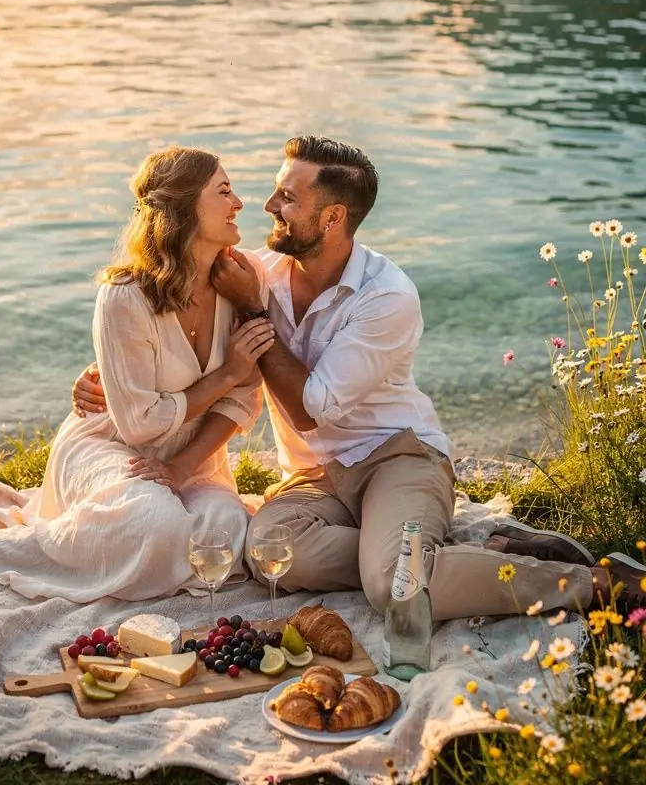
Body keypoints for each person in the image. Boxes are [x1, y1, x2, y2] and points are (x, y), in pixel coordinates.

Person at [74, 135, 646, 621]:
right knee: (269, 552)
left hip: (395, 457)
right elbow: (169, 298)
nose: (268, 204)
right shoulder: (255, 270)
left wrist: (255, 313)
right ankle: (461, 551)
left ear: (332, 218)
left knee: (391, 588)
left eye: (288, 198)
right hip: (315, 478)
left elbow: (310, 408)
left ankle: (599, 585)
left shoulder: (386, 297)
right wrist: (107, 375)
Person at [0, 147, 274, 601]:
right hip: (111, 443)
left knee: (226, 526)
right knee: (154, 520)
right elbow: (140, 424)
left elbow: (243, 400)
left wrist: (178, 468)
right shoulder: (124, 296)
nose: (239, 203)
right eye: (224, 191)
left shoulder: (244, 276)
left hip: (195, 454)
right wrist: (223, 376)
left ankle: (119, 546)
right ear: (185, 209)